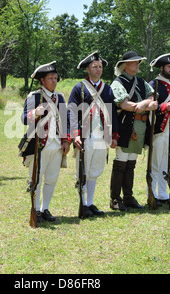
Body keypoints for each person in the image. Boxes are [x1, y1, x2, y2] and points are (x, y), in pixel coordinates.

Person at [68, 51, 119, 217]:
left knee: (95, 170)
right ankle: (82, 204)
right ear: (87, 69)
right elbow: (72, 113)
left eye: (100, 66)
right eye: (94, 67)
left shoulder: (107, 89)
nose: (98, 69)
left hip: (102, 136)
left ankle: (89, 203)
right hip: (85, 136)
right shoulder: (79, 88)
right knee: (84, 171)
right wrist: (75, 135)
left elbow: (112, 114)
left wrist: (114, 135)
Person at [20, 61, 71, 223]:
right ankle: (35, 210)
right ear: (42, 80)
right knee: (37, 179)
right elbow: (23, 119)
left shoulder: (60, 97)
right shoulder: (34, 96)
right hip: (38, 145)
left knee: (52, 178)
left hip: (56, 145)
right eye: (50, 78)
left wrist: (66, 141)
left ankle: (45, 208)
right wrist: (34, 113)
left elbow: (65, 120)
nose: (54, 81)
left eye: (56, 78)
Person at [109, 51, 158, 211]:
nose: (137, 64)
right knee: (121, 162)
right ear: (125, 65)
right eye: (134, 62)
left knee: (131, 163)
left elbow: (152, 98)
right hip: (125, 126)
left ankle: (128, 197)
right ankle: (115, 199)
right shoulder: (117, 83)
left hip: (139, 126)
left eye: (138, 62)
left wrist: (142, 104)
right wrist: (142, 105)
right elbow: (124, 105)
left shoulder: (140, 81)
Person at [148, 53, 170, 205]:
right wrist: (163, 107)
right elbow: (147, 108)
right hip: (159, 130)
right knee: (156, 163)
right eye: (169, 67)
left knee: (168, 164)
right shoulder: (153, 84)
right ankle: (153, 194)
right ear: (161, 67)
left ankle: (163, 193)